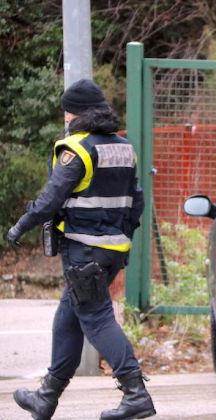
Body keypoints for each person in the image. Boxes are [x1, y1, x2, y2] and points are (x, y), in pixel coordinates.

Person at [5, 79, 155, 420]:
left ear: (74, 113)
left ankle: (136, 393)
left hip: (84, 251)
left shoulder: (77, 149)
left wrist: (20, 226)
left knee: (97, 319)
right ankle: (46, 397)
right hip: (112, 250)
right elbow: (138, 198)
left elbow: (50, 200)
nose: (65, 117)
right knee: (67, 321)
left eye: (66, 111)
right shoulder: (123, 146)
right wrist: (122, 235)